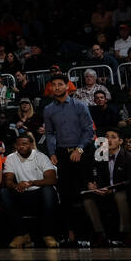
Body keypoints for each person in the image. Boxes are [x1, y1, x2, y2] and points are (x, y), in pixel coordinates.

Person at [41, 72, 95, 245]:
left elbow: (89, 130)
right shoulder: (48, 109)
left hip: (82, 153)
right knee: (66, 196)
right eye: (53, 85)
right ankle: (70, 234)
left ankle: (88, 235)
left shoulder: (80, 105)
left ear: (67, 86)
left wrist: (79, 149)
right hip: (63, 155)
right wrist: (52, 153)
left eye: (60, 84)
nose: (56, 87)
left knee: (84, 194)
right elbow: (49, 133)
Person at [82, 130, 131, 247]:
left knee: (120, 196)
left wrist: (112, 189)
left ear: (120, 141)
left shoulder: (129, 158)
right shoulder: (100, 156)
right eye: (107, 137)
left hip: (121, 191)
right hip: (105, 191)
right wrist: (94, 185)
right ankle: (100, 234)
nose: (109, 140)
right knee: (88, 199)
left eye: (113, 137)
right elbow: (96, 175)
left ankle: (126, 233)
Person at [1, 135, 59, 248]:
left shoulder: (41, 157)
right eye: (19, 144)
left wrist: (31, 183)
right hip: (22, 193)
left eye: (24, 144)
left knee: (48, 190)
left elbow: (52, 179)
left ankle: (47, 235)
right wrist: (16, 185)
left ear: (31, 145)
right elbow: (8, 181)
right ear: (15, 146)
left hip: (39, 193)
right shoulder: (11, 158)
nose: (21, 147)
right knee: (4, 192)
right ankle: (21, 235)